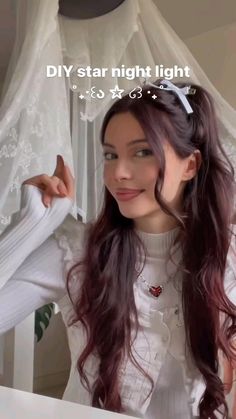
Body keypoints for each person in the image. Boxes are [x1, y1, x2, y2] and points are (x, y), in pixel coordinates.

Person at [0, 79, 235, 419]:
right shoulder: (76, 252)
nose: (118, 173)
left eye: (142, 152)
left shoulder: (227, 256)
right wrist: (30, 225)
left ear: (190, 165)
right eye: (110, 154)